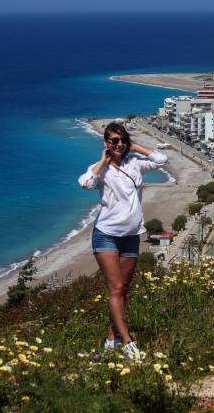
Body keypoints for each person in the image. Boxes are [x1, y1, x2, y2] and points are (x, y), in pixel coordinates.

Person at [78, 122, 168, 360]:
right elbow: (85, 183)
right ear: (105, 143)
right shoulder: (100, 170)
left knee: (123, 289)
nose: (117, 144)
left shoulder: (135, 164)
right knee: (116, 288)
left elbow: (161, 159)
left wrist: (135, 146)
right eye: (112, 141)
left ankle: (111, 339)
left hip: (131, 235)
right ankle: (128, 343)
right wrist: (102, 161)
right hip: (106, 234)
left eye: (121, 140)